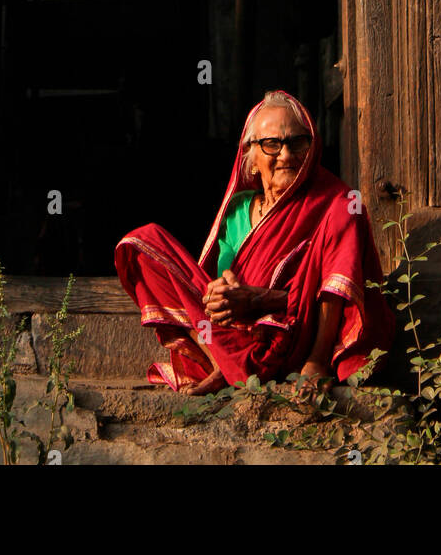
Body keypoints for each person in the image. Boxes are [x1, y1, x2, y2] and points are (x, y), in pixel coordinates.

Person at [115, 90, 396, 395]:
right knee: (143, 241)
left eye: (297, 142)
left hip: (291, 340)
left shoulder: (333, 206)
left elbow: (325, 295)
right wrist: (218, 295)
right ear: (251, 156)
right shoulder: (238, 209)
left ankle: (317, 361)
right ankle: (221, 364)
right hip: (232, 334)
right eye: (272, 144)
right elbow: (215, 283)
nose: (286, 155)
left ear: (312, 148)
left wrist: (261, 300)